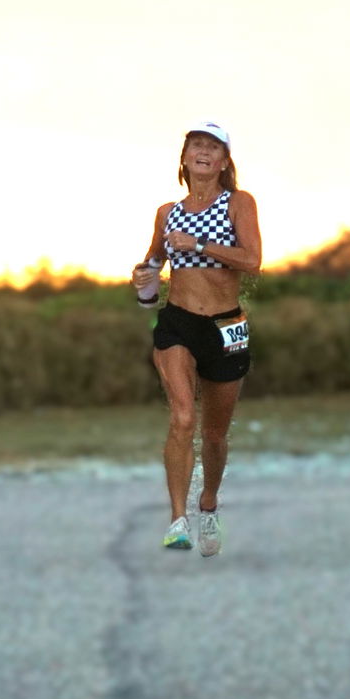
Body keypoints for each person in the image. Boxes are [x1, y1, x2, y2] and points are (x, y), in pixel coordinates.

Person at [131, 121, 261, 556]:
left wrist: (201, 244)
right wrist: (144, 277)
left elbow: (253, 260)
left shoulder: (239, 203)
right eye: (195, 145)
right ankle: (176, 520)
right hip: (179, 322)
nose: (203, 151)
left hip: (225, 326)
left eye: (212, 147)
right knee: (182, 417)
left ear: (225, 161)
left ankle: (207, 505)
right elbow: (153, 263)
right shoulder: (168, 212)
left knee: (215, 434)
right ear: (184, 159)